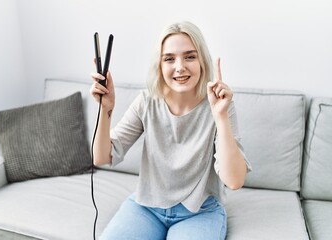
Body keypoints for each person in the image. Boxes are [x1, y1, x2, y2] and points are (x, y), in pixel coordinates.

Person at [90, 21, 252, 240]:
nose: (180, 67)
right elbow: (102, 157)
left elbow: (234, 180)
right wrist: (105, 109)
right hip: (146, 208)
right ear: (160, 65)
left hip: (199, 213)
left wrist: (220, 117)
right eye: (169, 58)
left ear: (202, 61)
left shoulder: (220, 105)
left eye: (190, 57)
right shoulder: (147, 101)